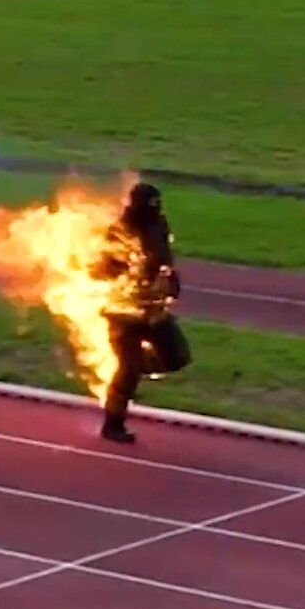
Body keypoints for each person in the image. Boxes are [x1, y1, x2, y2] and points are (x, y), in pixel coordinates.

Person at [97, 182, 191, 443]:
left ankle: (137, 369)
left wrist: (171, 279)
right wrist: (124, 270)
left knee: (177, 356)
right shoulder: (119, 232)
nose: (154, 209)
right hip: (123, 312)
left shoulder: (159, 225)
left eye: (157, 204)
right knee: (127, 369)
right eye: (149, 205)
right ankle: (113, 424)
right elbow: (102, 269)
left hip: (154, 310)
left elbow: (165, 258)